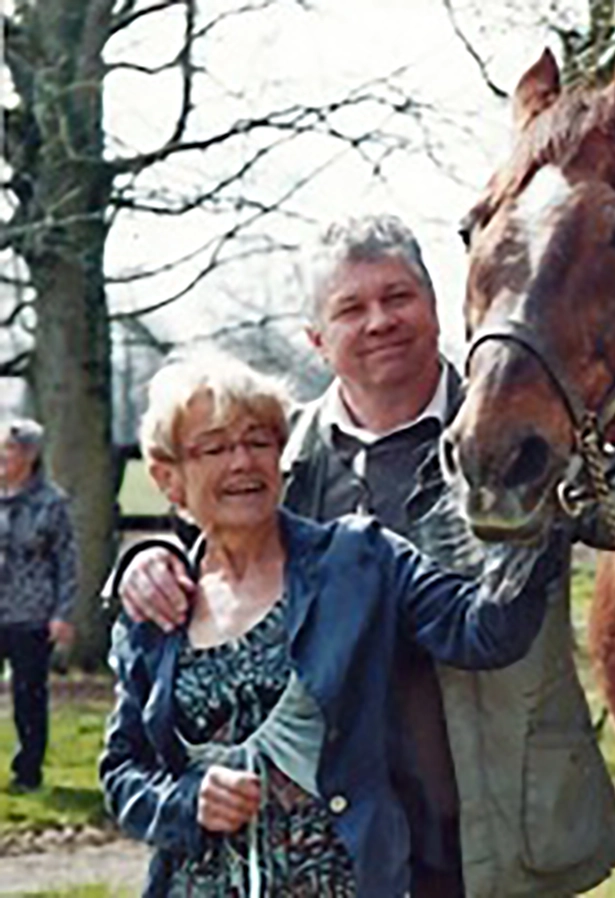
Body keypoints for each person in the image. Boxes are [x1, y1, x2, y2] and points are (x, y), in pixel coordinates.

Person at [119, 214, 615, 897]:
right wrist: (154, 559)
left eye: (398, 296)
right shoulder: (281, 460)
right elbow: (228, 566)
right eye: (351, 307)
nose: (380, 321)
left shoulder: (526, 431)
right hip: (340, 847)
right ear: (317, 339)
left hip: (501, 827)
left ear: (439, 308)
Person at [101, 355, 560, 897]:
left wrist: (535, 510)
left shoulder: (359, 559)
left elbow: (483, 632)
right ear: (168, 479)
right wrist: (185, 801)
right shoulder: (158, 605)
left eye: (259, 441)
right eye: (216, 448)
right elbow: (123, 771)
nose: (243, 462)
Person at [0, 417, 77, 794]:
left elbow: (67, 560)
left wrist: (63, 613)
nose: (1, 456)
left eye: (9, 449)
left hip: (32, 614)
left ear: (29, 455)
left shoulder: (51, 503)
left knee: (28, 696)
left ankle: (27, 771)